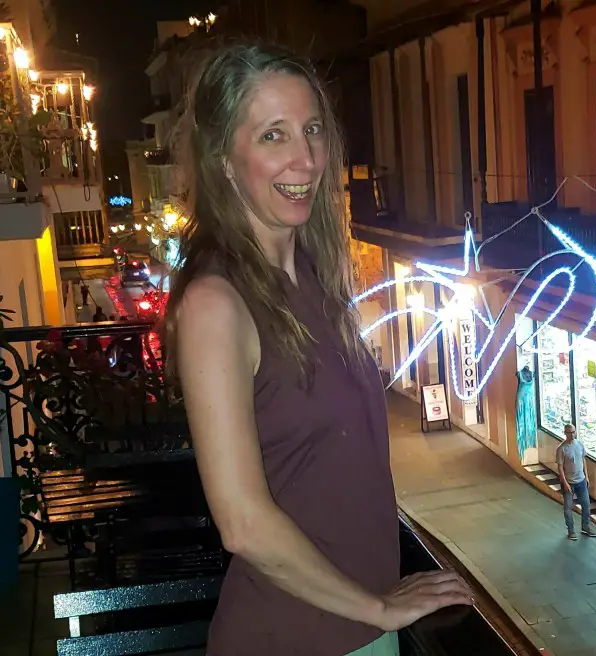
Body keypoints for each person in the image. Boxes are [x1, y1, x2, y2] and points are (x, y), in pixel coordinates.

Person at [163, 41, 472, 656]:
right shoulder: (216, 304)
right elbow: (243, 523)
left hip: (355, 629)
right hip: (294, 636)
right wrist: (380, 607)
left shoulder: (313, 279)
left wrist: (381, 599)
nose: (306, 158)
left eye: (311, 129)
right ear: (225, 159)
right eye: (273, 136)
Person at [557, 424, 596, 540]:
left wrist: (587, 476)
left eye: (573, 432)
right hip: (569, 482)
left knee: (586, 505)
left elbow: (583, 460)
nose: (572, 435)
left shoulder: (579, 444)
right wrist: (565, 483)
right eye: (569, 432)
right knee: (568, 508)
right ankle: (571, 530)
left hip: (581, 480)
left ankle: (585, 526)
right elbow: (560, 468)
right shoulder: (561, 449)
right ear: (565, 433)